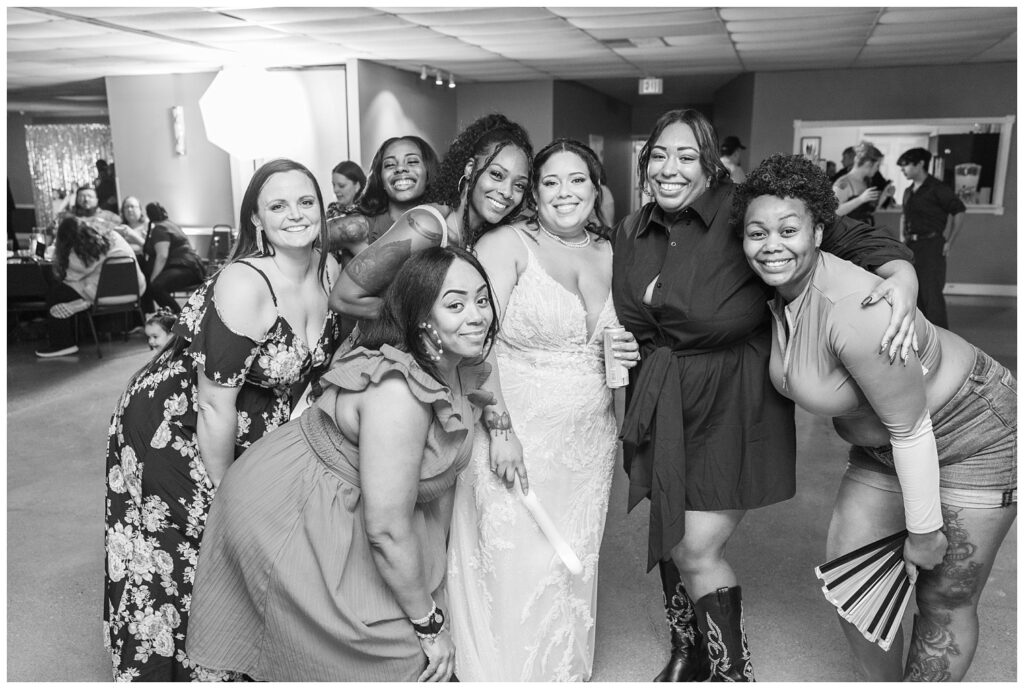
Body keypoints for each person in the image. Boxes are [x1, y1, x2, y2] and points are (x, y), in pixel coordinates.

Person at [611, 109, 920, 682]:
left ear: (710, 163)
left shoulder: (742, 209)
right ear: (644, 162)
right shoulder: (631, 229)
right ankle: (692, 650)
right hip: (660, 399)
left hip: (733, 399)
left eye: (686, 156)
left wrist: (902, 277)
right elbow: (630, 318)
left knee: (698, 546)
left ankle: (733, 673)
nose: (670, 168)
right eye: (658, 155)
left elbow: (851, 236)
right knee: (674, 526)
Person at [736, 153, 1016, 682]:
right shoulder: (776, 292)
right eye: (757, 233)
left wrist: (926, 529)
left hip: (972, 428)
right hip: (884, 440)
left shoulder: (857, 310)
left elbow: (912, 429)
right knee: (855, 583)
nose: (772, 244)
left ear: (820, 231)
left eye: (789, 229)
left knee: (944, 593)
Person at [187, 246, 497, 681]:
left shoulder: (458, 362)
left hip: (358, 507)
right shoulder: (399, 393)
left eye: (482, 299)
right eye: (456, 304)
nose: (478, 315)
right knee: (394, 655)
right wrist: (430, 625)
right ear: (420, 317)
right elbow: (387, 530)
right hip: (288, 508)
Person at [103, 158, 345, 681]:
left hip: (256, 425)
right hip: (178, 427)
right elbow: (216, 405)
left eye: (306, 202)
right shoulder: (245, 282)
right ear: (256, 220)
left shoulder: (330, 270)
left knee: (245, 559)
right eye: (278, 205)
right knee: (188, 551)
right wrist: (227, 492)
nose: (296, 215)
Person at [446, 139, 640, 681]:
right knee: (511, 556)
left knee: (570, 555)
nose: (564, 193)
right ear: (535, 192)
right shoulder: (505, 244)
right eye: (550, 182)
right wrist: (501, 430)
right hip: (515, 427)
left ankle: (558, 670)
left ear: (596, 188)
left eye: (577, 180)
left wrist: (623, 352)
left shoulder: (613, 251)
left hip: (588, 440)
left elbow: (624, 340)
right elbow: (475, 344)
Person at [330, 114, 532, 320]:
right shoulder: (426, 226)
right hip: (388, 349)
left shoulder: (485, 236)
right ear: (470, 169)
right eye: (497, 175)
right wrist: (424, 323)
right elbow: (343, 298)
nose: (507, 192)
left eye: (519, 185)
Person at [34, 215, 146, 358]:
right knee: (74, 287)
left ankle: (63, 344)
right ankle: (85, 303)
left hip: (104, 293)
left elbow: (71, 276)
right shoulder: (111, 235)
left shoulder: (83, 249)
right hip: (135, 289)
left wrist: (58, 252)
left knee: (56, 293)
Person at [897, 147, 966, 329]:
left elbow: (959, 211)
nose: (902, 170)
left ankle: (942, 339)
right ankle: (921, 334)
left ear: (920, 164)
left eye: (905, 166)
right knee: (913, 291)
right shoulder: (908, 191)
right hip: (911, 245)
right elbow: (904, 215)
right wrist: (902, 238)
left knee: (931, 293)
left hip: (932, 245)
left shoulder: (938, 188)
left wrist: (950, 241)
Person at [140, 202, 206, 314]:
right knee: (155, 286)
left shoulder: (159, 229)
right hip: (193, 268)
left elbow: (162, 256)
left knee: (156, 287)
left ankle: (177, 319)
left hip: (185, 268)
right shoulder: (171, 225)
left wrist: (153, 279)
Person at [833, 141, 894, 226]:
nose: (877, 169)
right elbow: (834, 213)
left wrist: (884, 195)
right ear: (868, 164)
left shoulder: (866, 181)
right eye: (877, 166)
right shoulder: (843, 183)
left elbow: (869, 212)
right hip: (849, 236)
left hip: (865, 234)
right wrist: (860, 199)